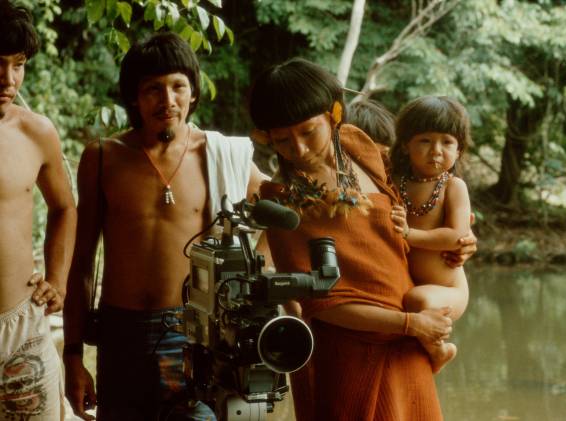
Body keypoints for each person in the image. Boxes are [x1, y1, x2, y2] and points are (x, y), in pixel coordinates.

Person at [250, 58, 476, 421]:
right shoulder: (280, 203)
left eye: (309, 131)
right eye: (282, 140)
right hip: (349, 359)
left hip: (407, 350)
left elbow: (418, 206)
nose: (300, 148)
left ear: (334, 115)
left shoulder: (361, 147)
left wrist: (462, 239)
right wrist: (411, 324)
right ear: (266, 137)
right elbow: (321, 305)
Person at [62, 32, 266, 421]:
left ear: (194, 92)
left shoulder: (218, 153)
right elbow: (82, 262)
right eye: (153, 89)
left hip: (193, 333)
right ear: (134, 98)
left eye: (178, 86)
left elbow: (277, 210)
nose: (167, 100)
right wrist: (73, 355)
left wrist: (256, 268)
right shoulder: (104, 157)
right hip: (119, 333)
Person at [0, 2, 77, 420]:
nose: (9, 79)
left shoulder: (36, 131)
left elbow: (64, 206)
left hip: (21, 327)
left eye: (19, 65)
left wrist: (57, 281)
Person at [389, 96, 472, 373]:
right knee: (410, 299)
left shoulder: (453, 187)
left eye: (447, 142)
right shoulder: (394, 182)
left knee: (418, 300)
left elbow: (457, 236)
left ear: (459, 150)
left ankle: (439, 351)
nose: (436, 151)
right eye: (425, 141)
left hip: (448, 291)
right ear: (405, 145)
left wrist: (409, 234)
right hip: (408, 284)